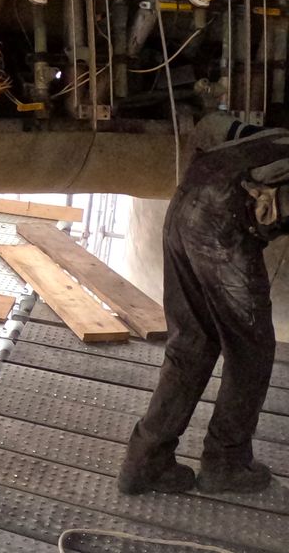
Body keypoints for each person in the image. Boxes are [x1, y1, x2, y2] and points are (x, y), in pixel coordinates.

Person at [119, 113, 288, 495]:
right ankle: (225, 463)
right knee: (251, 353)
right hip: (220, 225)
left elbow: (212, 125)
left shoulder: (276, 137)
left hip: (185, 201)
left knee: (190, 344)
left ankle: (145, 463)